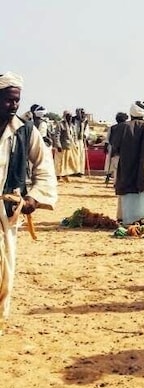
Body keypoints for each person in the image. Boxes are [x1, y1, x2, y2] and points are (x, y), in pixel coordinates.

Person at [0, 72, 58, 323]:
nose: (13, 105)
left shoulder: (26, 131)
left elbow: (44, 167)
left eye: (17, 100)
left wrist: (34, 197)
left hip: (7, 211)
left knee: (4, 270)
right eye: (8, 100)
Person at [113, 101, 144, 223]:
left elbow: (115, 146)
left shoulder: (122, 127)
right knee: (143, 188)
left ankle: (129, 219)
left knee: (128, 188)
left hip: (126, 165)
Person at [104, 112, 129, 186]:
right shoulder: (127, 127)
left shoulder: (113, 127)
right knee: (117, 166)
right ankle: (116, 181)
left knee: (114, 165)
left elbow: (107, 139)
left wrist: (106, 147)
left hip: (114, 148)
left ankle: (114, 181)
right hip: (121, 149)